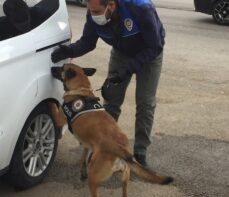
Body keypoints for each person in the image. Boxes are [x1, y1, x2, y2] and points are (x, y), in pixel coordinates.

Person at [51, 0, 165, 167]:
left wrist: (127, 70)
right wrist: (69, 50)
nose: (94, 15)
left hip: (149, 54)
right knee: (111, 100)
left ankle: (140, 153)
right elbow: (88, 42)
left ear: (111, 5)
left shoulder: (141, 9)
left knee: (145, 103)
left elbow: (155, 46)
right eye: (91, 11)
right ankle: (105, 147)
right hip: (121, 53)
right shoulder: (93, 12)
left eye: (97, 11)